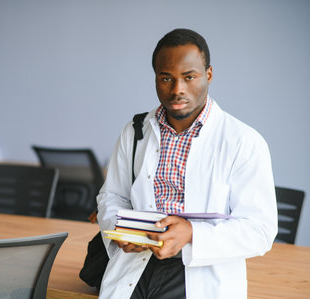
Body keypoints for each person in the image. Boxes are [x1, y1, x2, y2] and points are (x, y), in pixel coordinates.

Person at [96, 28, 277, 299]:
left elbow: (259, 230)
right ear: (155, 78)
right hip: (135, 270)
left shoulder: (243, 141)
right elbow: (112, 196)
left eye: (189, 77)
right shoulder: (135, 131)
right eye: (166, 78)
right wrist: (121, 230)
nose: (177, 89)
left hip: (200, 276)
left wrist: (192, 234)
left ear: (209, 75)